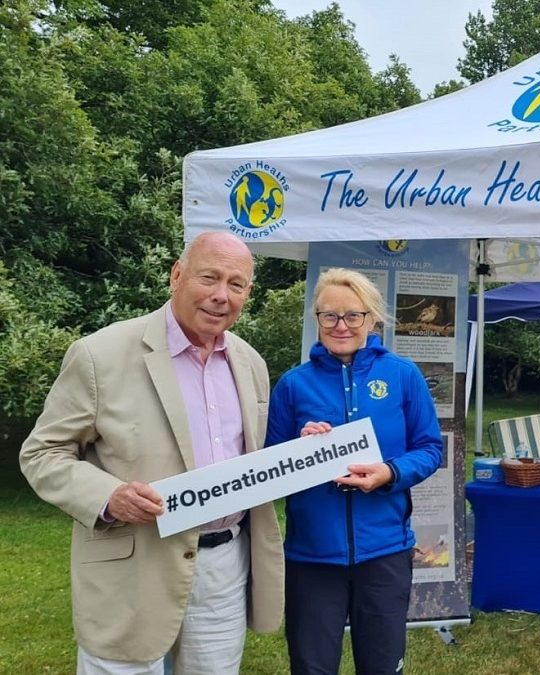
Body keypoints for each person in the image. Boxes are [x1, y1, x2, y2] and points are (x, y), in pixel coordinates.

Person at [19, 232, 284, 674]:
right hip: (134, 565)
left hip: (224, 566)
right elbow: (42, 453)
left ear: (248, 293)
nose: (221, 295)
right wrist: (108, 496)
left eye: (236, 284)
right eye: (209, 277)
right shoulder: (99, 355)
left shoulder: (251, 363)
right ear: (176, 275)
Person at [266, 267, 443, 675]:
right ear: (316, 320)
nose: (340, 326)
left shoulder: (402, 375)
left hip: (384, 551)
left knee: (381, 667)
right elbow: (271, 463)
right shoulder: (294, 385)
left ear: (372, 318)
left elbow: (430, 448)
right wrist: (299, 447)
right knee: (312, 668)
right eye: (329, 316)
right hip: (312, 556)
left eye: (352, 315)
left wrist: (390, 472)